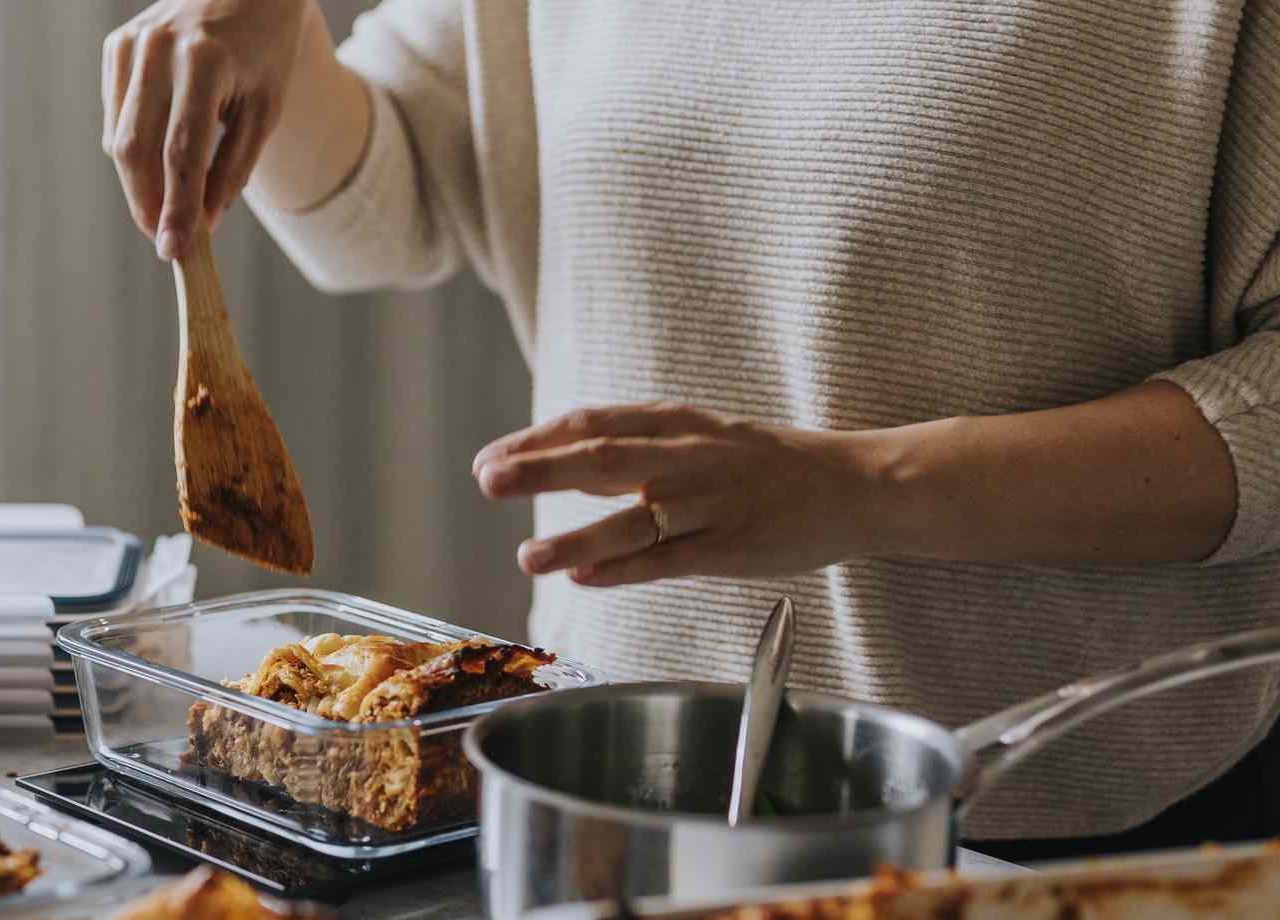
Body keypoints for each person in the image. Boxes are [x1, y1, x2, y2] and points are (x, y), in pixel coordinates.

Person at [101, 0, 1280, 855]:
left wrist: (869, 487)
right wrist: (272, 28)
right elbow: (386, 197)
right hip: (597, 792)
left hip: (1063, 832)